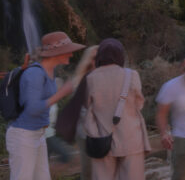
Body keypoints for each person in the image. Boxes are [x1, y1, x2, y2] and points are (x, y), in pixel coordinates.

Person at [6, 31, 89, 180]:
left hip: (38, 134)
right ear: (56, 53)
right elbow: (32, 109)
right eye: (68, 51)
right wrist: (61, 93)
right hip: (23, 135)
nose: (71, 54)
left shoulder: (49, 71)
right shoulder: (35, 74)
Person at [81, 38, 150, 179]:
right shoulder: (132, 75)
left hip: (101, 138)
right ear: (120, 55)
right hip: (131, 137)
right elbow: (139, 104)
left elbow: (87, 105)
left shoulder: (90, 78)